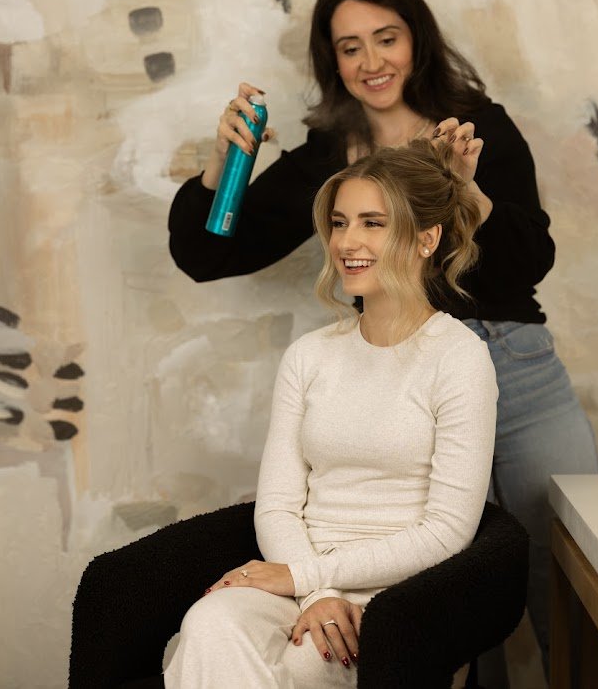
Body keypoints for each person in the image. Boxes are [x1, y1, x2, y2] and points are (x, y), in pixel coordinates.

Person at [168, 0, 598, 672]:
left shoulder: (476, 126)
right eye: (349, 47)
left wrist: (469, 193)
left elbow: (528, 261)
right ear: (331, 61)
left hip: (509, 367)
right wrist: (223, 167)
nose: (371, 62)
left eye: (386, 38)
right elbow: (208, 253)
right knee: (460, 596)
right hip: (397, 380)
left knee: (559, 571)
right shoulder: (329, 155)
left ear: (416, 40)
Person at [164, 140, 498, 687]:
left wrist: (310, 578)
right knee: (209, 623)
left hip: (398, 594)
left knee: (305, 664)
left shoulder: (460, 358)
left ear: (426, 238)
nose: (347, 241)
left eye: (372, 223)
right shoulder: (310, 356)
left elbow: (446, 532)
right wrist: (315, 591)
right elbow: (276, 506)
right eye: (340, 223)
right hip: (299, 581)